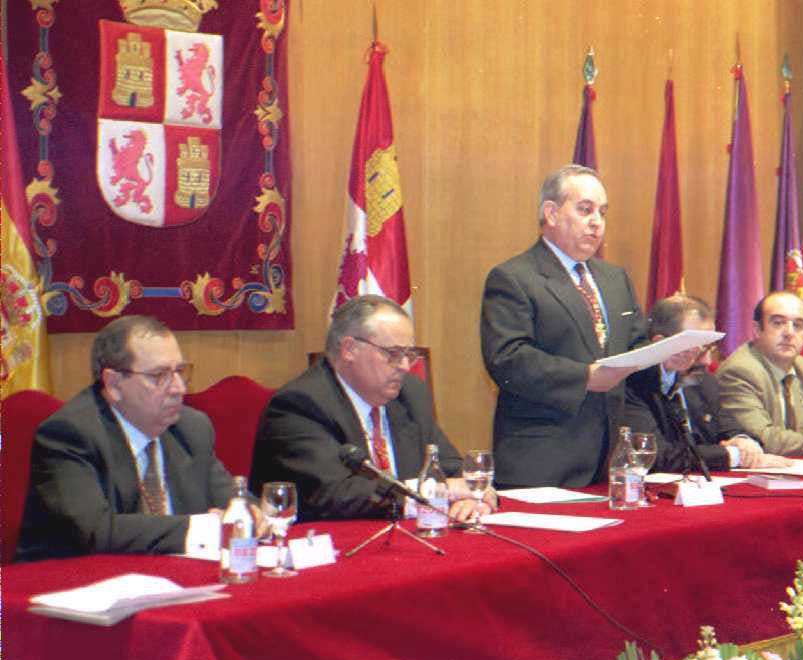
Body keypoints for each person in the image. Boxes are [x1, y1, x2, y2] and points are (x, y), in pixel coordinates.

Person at [251, 295, 494, 522]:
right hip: (334, 550)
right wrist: (437, 493)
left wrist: (479, 496)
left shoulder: (411, 393)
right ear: (349, 349)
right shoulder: (300, 404)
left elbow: (449, 467)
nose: (405, 366)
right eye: (394, 354)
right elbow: (333, 492)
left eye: (410, 354)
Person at [480, 165, 648, 488]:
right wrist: (585, 377)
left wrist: (666, 362)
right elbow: (507, 359)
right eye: (585, 210)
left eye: (602, 212)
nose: (597, 222)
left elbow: (635, 346)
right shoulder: (514, 278)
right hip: (543, 462)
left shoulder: (616, 280)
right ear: (551, 213)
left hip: (608, 461)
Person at [17, 316, 235, 561]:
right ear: (114, 384)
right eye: (159, 375)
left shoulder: (191, 428)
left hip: (166, 582)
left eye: (180, 372)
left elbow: (230, 501)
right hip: (68, 586)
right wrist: (202, 528)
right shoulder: (70, 434)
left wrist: (248, 513)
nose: (178, 388)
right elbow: (95, 531)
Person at [625, 295, 792, 471]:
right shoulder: (635, 383)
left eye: (710, 348)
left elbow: (731, 428)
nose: (706, 361)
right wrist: (732, 455)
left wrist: (744, 442)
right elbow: (657, 456)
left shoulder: (703, 382)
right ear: (660, 344)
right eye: (698, 348)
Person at [717, 291, 803, 456]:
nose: (789, 333)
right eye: (778, 323)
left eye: (798, 325)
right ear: (757, 330)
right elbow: (765, 440)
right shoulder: (739, 371)